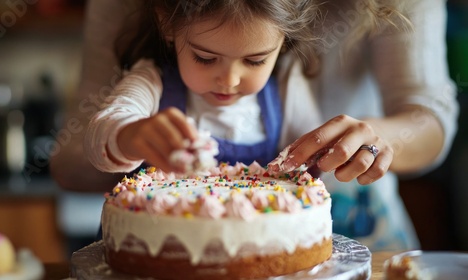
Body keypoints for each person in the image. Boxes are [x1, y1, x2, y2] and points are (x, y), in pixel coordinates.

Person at [50, 0, 458, 251]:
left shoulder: (288, 84)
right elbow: (102, 128)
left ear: (285, 39)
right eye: (206, 58)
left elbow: (311, 168)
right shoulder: (150, 79)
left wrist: (339, 154)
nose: (229, 80)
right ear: (168, 25)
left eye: (255, 60)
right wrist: (132, 135)